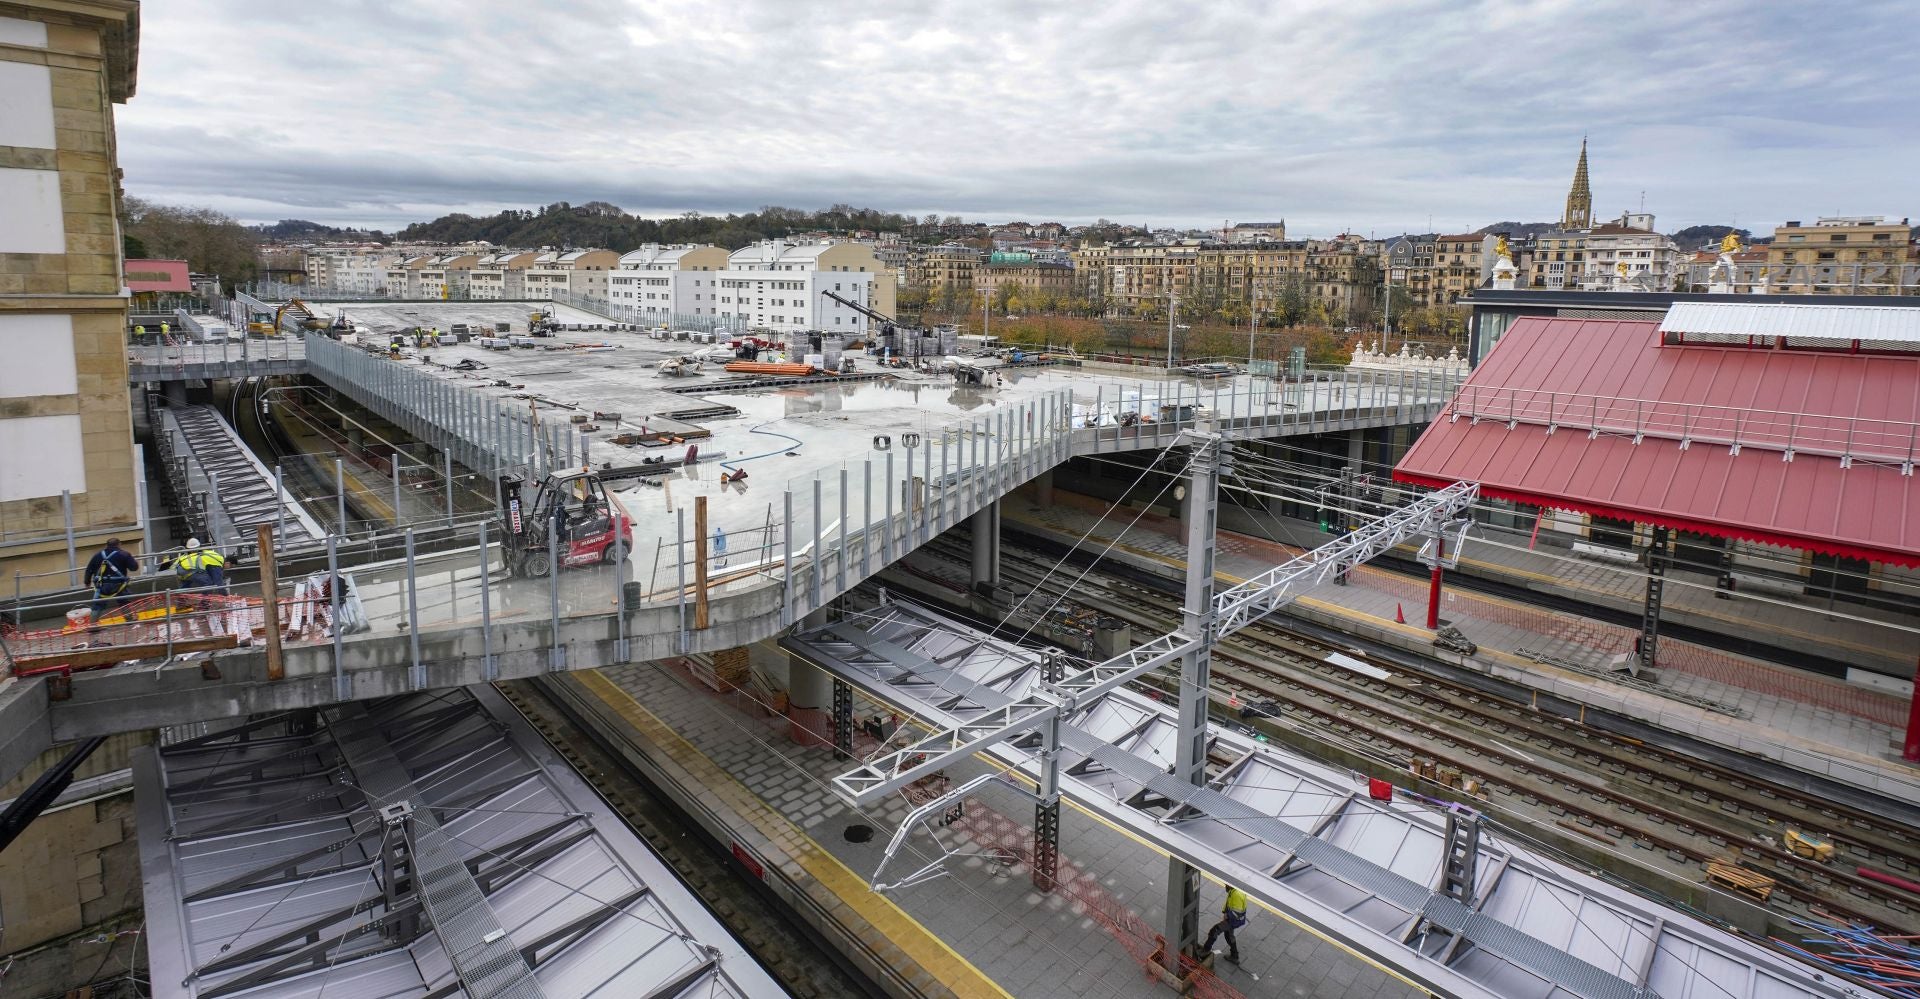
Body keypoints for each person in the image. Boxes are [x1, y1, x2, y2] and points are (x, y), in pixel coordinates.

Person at [84, 538, 140, 622]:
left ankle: (92, 625)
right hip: (119, 584)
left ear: (106, 545)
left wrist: (87, 582)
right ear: (119, 544)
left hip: (102, 585)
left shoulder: (97, 555)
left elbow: (89, 569)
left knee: (97, 605)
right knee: (124, 602)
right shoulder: (124, 554)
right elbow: (134, 568)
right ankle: (130, 620)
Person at [1201, 885, 1249, 964]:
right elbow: (1230, 904)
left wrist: (1228, 916)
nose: (1225, 886)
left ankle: (1206, 950)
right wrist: (1225, 912)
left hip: (1233, 920)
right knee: (1229, 936)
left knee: (1214, 930)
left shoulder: (1237, 894)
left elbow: (1237, 912)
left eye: (1226, 884)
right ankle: (1234, 956)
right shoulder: (1233, 890)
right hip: (1233, 919)